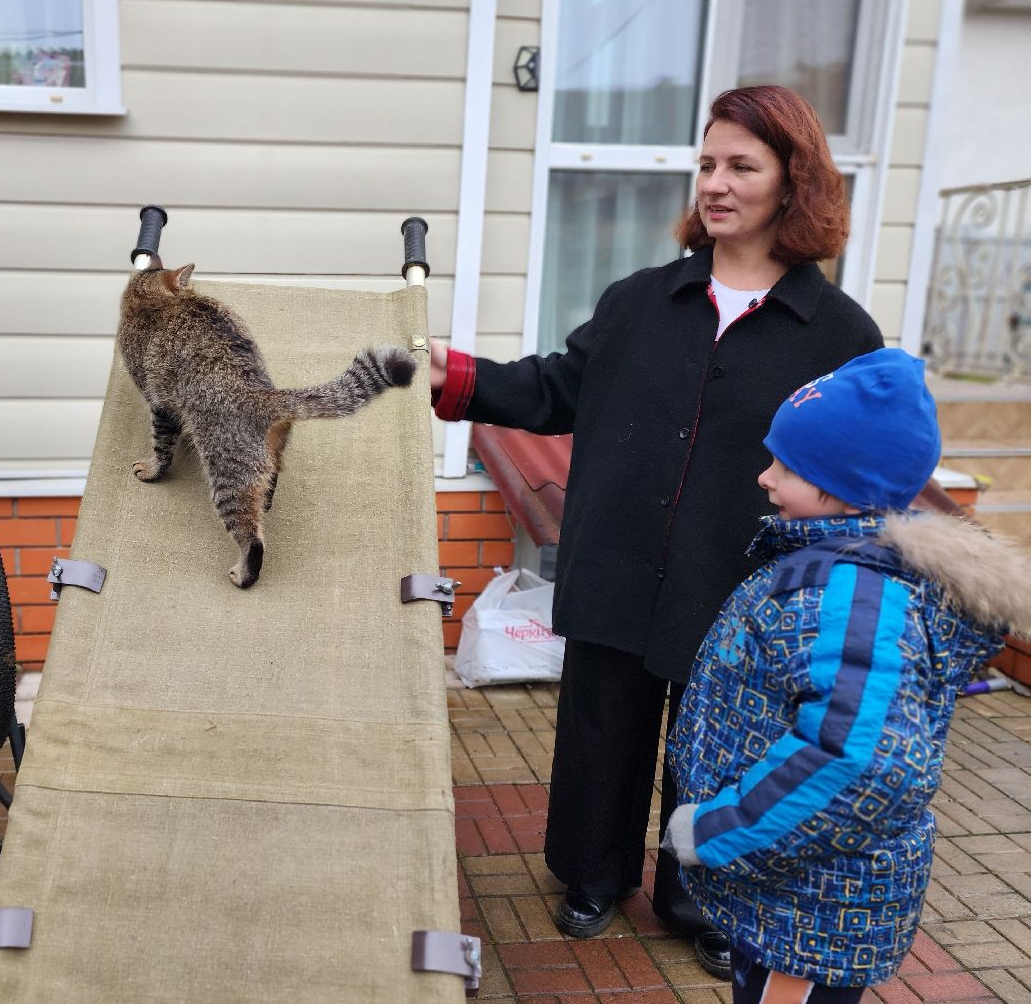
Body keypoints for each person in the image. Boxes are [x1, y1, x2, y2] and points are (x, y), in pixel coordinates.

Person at [428, 85, 884, 977]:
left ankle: (697, 896)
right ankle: (592, 875)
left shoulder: (837, 332)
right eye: (707, 164)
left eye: (740, 166)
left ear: (794, 185)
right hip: (617, 557)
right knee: (602, 729)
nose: (716, 183)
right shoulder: (642, 300)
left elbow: (862, 460)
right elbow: (556, 387)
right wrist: (449, 375)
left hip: (741, 578)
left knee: (715, 745)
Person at [662, 348, 1029, 1001]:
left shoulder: (853, 596)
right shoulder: (837, 568)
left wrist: (720, 828)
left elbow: (861, 760)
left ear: (841, 486)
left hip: (813, 903)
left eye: (786, 466)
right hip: (790, 878)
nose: (764, 478)